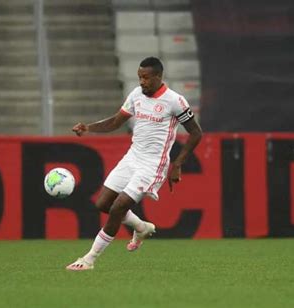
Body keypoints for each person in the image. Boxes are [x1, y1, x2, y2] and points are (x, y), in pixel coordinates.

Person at [66, 57, 202, 270]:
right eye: (140, 77)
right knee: (103, 204)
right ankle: (141, 227)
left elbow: (196, 133)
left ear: (158, 77)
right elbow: (115, 121)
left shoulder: (175, 101)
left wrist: (177, 164)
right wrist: (88, 128)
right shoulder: (136, 95)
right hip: (132, 158)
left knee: (119, 207)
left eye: (146, 78)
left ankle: (89, 259)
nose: (142, 82)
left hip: (152, 165)